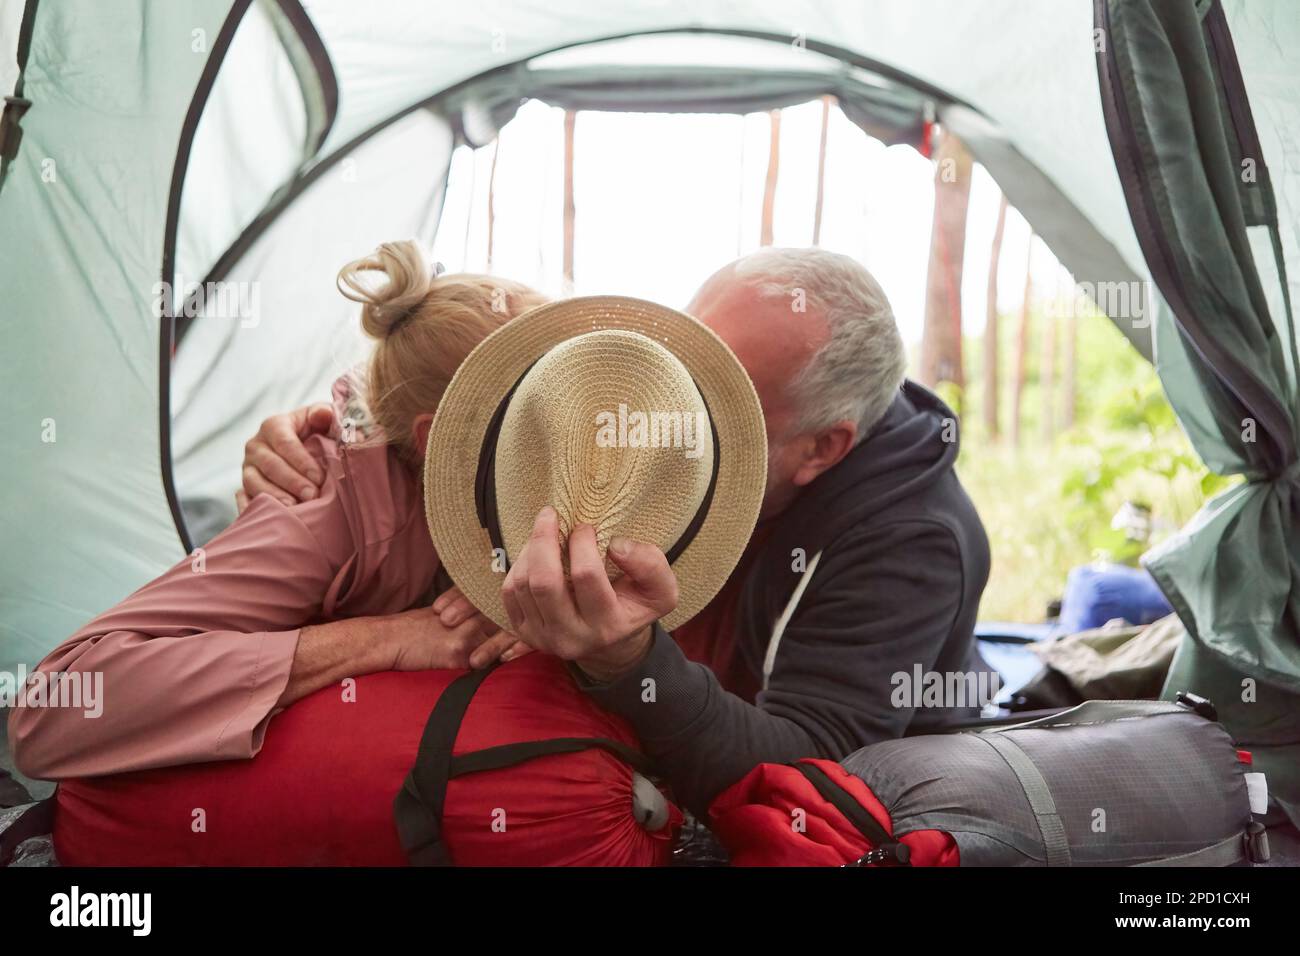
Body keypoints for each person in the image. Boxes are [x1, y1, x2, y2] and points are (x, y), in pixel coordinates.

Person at [237, 248, 993, 815]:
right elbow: (487, 397)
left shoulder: (911, 544)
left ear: (822, 448)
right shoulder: (682, 428)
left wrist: (628, 661)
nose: (668, 423)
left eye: (724, 410)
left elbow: (805, 774)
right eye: (685, 367)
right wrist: (346, 438)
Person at [8, 243, 547, 779]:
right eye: (541, 414)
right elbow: (53, 710)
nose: (582, 435)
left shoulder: (576, 477)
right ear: (443, 439)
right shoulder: (329, 510)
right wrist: (391, 637)